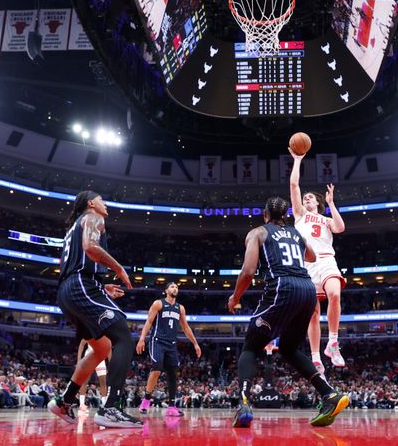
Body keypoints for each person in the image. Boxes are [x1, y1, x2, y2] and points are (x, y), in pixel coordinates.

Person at [227, 196, 349, 428]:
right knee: (289, 349)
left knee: (251, 345)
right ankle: (329, 394)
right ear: (286, 216)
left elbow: (248, 271)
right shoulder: (296, 233)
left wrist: (235, 297)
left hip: (282, 287)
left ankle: (243, 403)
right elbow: (311, 256)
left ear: (265, 215)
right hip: (307, 290)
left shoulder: (258, 233)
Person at [47, 190, 142, 428]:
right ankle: (110, 407)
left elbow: (78, 260)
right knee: (123, 338)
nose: (105, 203)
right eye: (102, 199)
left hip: (67, 290)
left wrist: (101, 285)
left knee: (102, 348)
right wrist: (119, 268)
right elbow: (90, 248)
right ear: (91, 203)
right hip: (81, 285)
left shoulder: (73, 227)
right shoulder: (93, 217)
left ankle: (65, 400)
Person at [288, 148, 347, 373]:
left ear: (318, 202)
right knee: (313, 312)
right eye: (305, 198)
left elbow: (340, 228)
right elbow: (294, 186)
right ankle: (315, 356)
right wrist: (297, 160)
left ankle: (333, 342)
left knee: (334, 293)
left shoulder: (325, 217)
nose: (306, 198)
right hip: (306, 265)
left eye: (310, 196)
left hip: (326, 260)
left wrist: (332, 204)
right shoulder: (300, 214)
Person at [136, 282, 201, 417]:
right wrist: (142, 338)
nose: (175, 288)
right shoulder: (158, 304)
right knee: (157, 369)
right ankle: (146, 400)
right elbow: (148, 321)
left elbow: (186, 327)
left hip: (171, 344)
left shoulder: (180, 308)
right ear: (166, 290)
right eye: (172, 287)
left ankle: (171, 407)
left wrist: (195, 343)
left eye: (177, 287)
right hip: (157, 341)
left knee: (173, 374)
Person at [76, 339, 109, 412]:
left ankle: (104, 404)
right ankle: (81, 404)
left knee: (103, 382)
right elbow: (82, 344)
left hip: (100, 357)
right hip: (89, 356)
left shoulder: (105, 333)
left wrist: (110, 362)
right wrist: (79, 359)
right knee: (85, 381)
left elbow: (109, 347)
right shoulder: (90, 331)